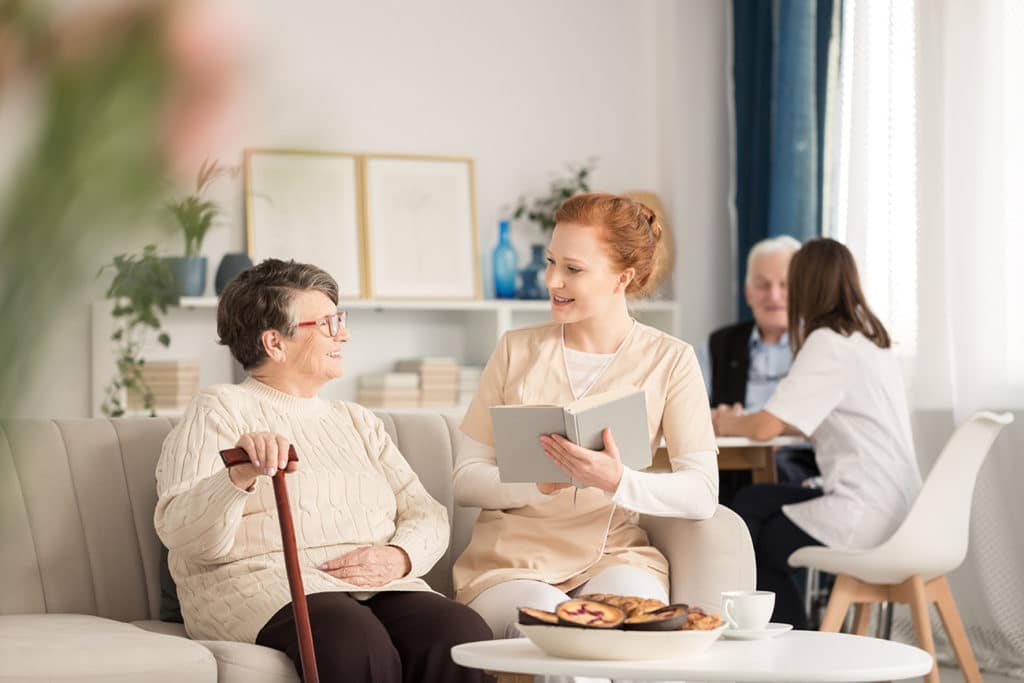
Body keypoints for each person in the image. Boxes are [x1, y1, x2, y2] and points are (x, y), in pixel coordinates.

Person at [154, 259, 491, 683]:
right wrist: (237, 475)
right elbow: (182, 533)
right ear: (275, 343)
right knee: (352, 641)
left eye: (340, 320)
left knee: (462, 636)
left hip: (378, 586)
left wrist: (399, 556)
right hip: (266, 586)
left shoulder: (357, 420)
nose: (344, 334)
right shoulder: (220, 409)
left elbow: (426, 512)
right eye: (328, 324)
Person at [452, 193, 719, 640]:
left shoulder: (670, 360)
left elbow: (702, 492)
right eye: (552, 261)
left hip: (615, 554)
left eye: (573, 269)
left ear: (622, 277)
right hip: (513, 562)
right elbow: (464, 480)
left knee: (636, 629)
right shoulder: (515, 350)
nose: (553, 280)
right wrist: (537, 484)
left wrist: (618, 481)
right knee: (562, 634)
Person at [713, 238, 922, 629]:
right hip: (899, 504)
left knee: (762, 540)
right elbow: (799, 418)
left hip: (864, 511)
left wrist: (725, 421)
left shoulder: (826, 342)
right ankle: (781, 636)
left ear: (807, 284)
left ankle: (800, 644)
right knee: (752, 502)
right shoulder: (867, 341)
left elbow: (763, 428)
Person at [697, 235, 819, 504]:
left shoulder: (818, 344)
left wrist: (758, 427)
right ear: (748, 293)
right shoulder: (718, 344)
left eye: (785, 284)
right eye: (763, 285)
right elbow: (689, 411)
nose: (774, 296)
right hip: (728, 462)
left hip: (797, 463)